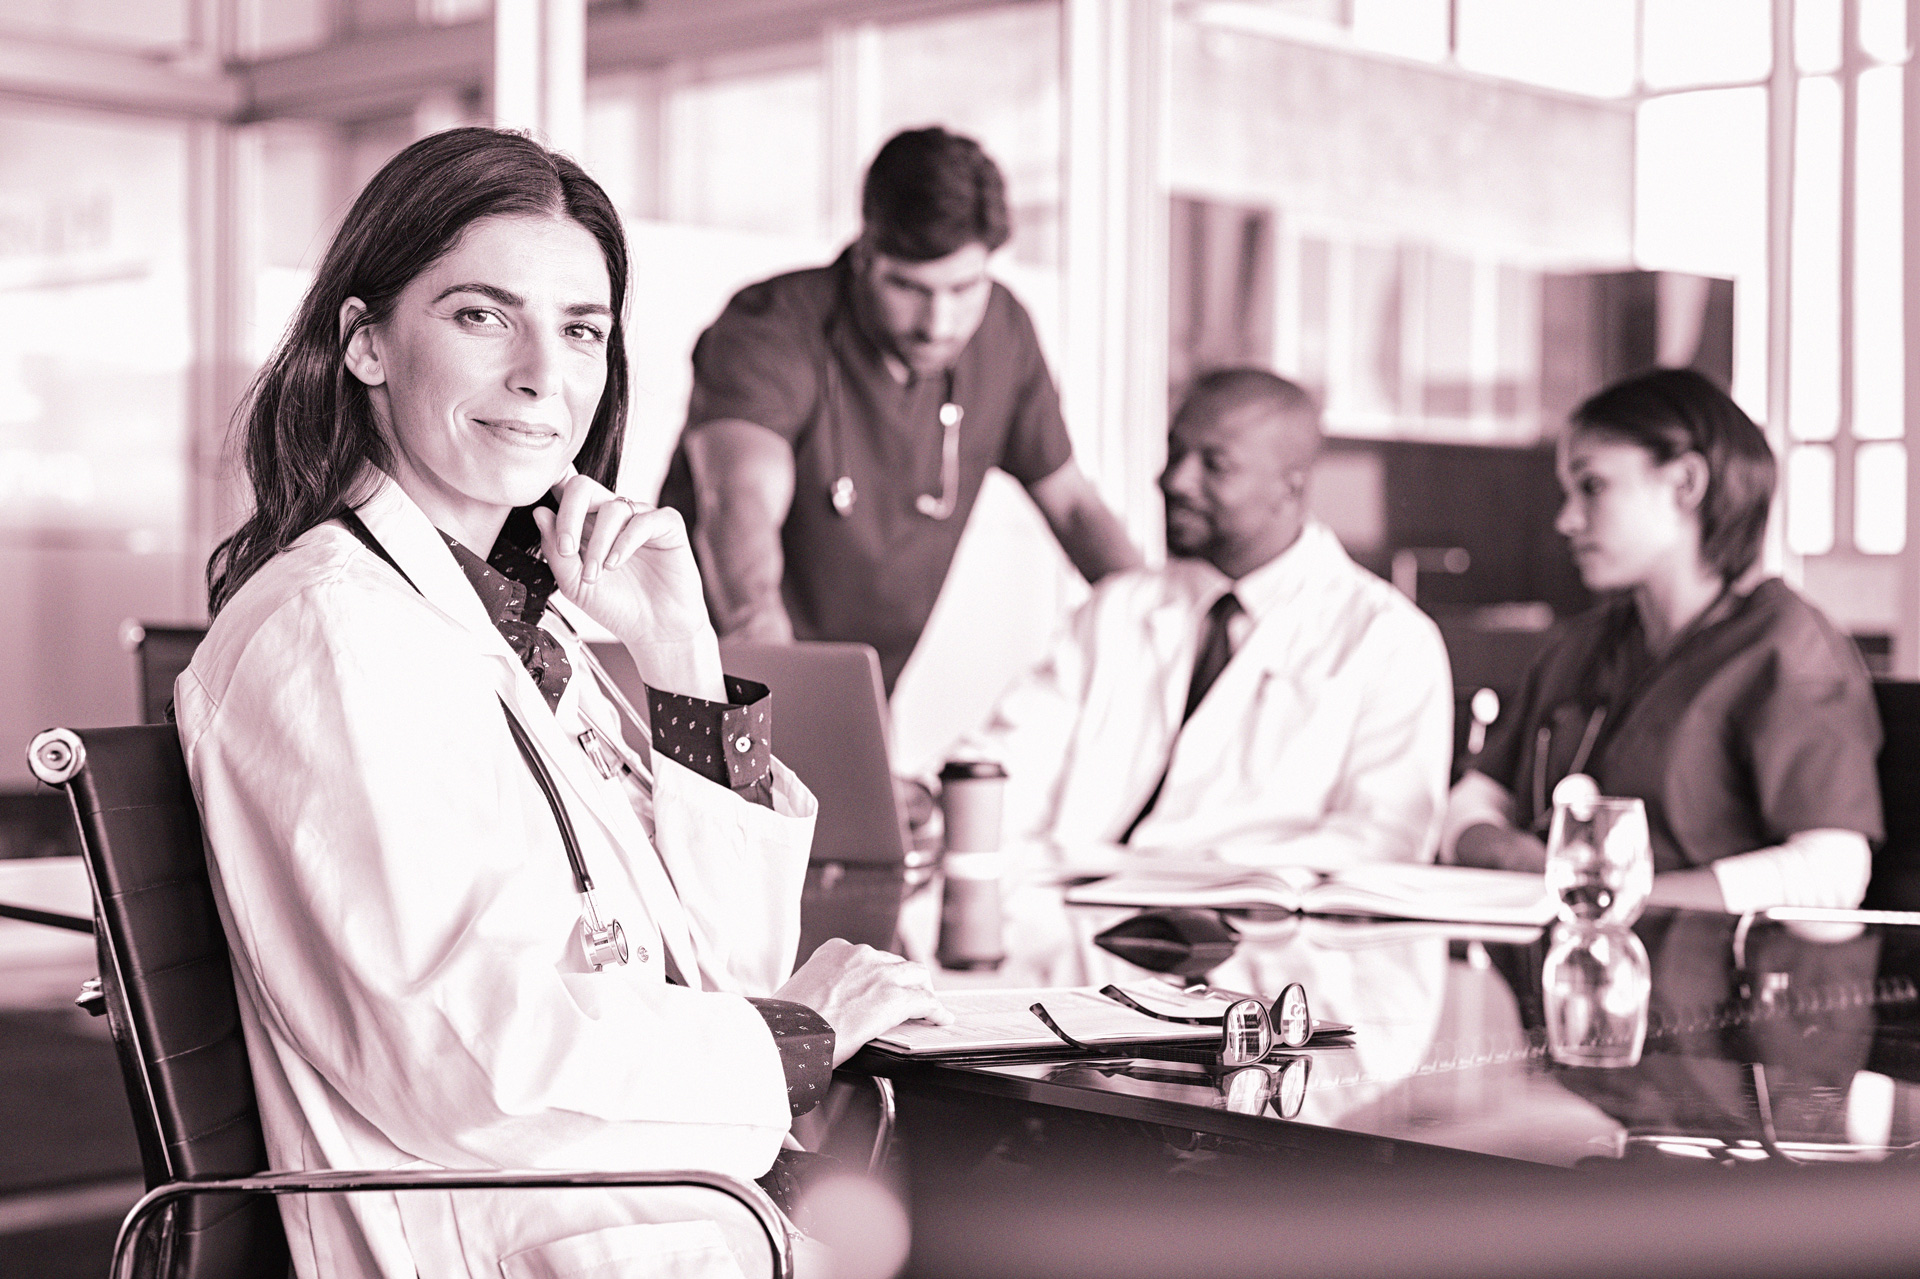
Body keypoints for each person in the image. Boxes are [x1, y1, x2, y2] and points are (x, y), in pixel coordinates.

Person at [177, 128, 946, 1279]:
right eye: (483, 316)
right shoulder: (332, 630)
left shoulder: (517, 625)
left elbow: (731, 961)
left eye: (581, 329)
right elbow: (467, 1064)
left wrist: (681, 654)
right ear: (366, 341)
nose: (544, 374)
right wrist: (797, 1035)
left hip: (669, 1223)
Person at [657, 126, 1141, 696]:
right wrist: (779, 682)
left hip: (862, 690)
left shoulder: (1005, 333)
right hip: (717, 680)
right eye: (910, 288)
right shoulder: (771, 326)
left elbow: (1074, 508)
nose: (939, 324)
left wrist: (1171, 629)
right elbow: (740, 502)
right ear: (865, 254)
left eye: (964, 288)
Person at [954, 368, 1454, 860]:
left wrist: (1203, 874)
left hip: (1261, 909)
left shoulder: (1388, 639)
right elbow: (1011, 767)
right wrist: (935, 804)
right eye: (1175, 452)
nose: (1175, 480)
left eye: (1215, 465)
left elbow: (1384, 840)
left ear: (1291, 488)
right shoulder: (1116, 608)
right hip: (1070, 901)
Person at [1446, 367, 1883, 911]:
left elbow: (1832, 872)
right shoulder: (1582, 646)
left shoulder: (1788, 648)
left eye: (1592, 486)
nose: (1566, 520)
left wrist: (1617, 903)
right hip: (1560, 950)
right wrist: (1507, 853)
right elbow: (1472, 802)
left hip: (1706, 962)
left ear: (1685, 485)